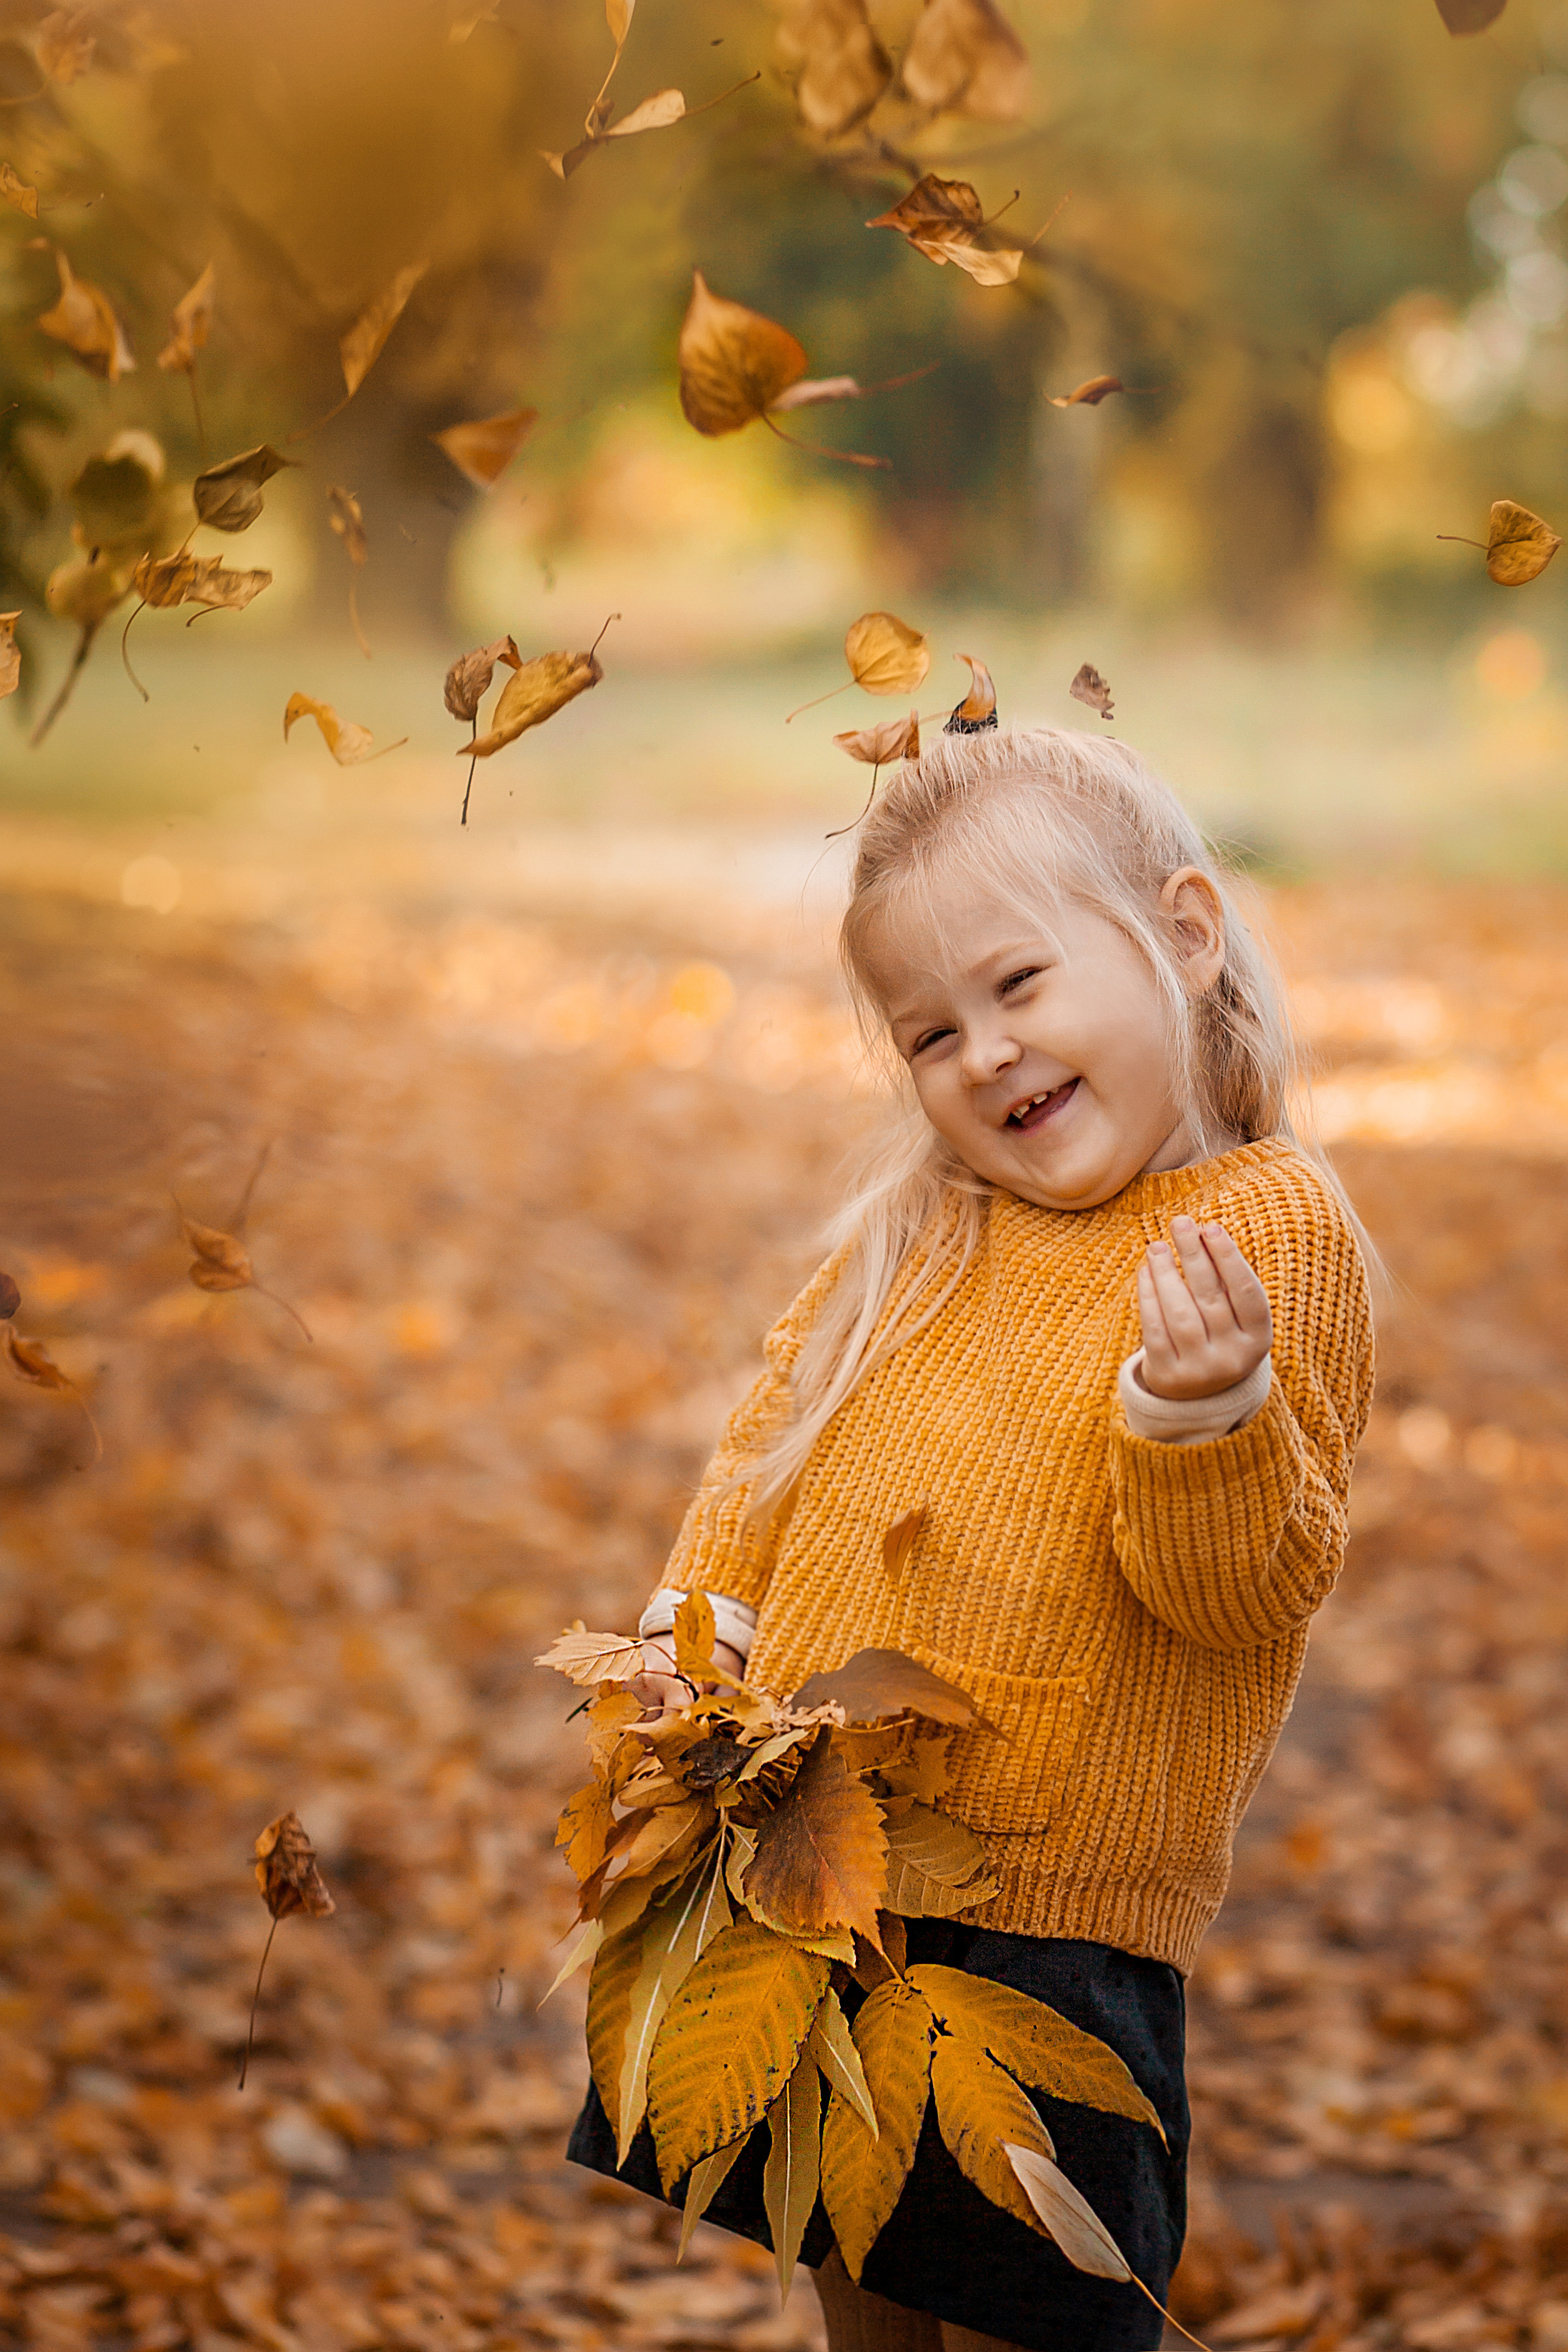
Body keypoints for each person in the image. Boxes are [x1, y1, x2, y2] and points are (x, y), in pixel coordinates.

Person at [567, 721, 1374, 2352]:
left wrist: (1203, 1410)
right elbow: (772, 1449)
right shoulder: (927, 1216)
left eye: (1020, 984)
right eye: (931, 1030)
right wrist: (693, 1633)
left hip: (1043, 1925)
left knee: (1028, 2308)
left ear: (1187, 933)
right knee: (860, 2284)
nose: (987, 1054)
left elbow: (1238, 1595)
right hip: (816, 1847)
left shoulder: (1262, 1231)